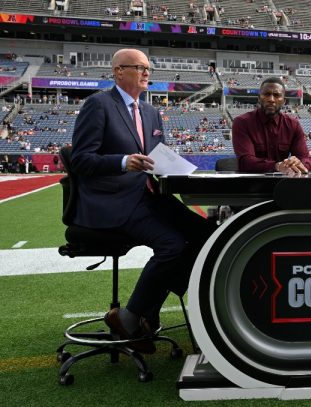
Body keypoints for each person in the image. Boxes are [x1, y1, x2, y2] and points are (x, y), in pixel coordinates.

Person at [71, 48, 215, 354]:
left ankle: (146, 312)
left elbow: (155, 158)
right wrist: (123, 161)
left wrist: (175, 168)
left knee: (207, 234)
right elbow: (81, 160)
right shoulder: (98, 105)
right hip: (114, 199)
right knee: (172, 246)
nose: (147, 73)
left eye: (148, 68)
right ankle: (131, 315)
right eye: (140, 67)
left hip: (149, 194)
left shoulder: (151, 111)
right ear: (119, 71)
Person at [231, 77, 311, 173]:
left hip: (283, 184)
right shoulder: (242, 123)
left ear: (284, 101)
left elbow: (305, 159)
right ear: (259, 98)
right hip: (251, 184)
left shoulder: (293, 125)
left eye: (277, 95)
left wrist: (298, 163)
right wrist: (277, 166)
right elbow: (245, 162)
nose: (271, 99)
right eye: (266, 94)